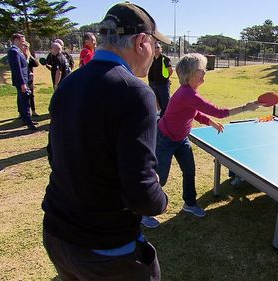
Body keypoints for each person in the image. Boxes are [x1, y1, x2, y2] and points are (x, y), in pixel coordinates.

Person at [42, 2, 171, 280]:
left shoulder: (69, 83)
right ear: (141, 42)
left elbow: (54, 155)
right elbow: (141, 193)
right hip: (106, 249)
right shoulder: (135, 92)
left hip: (57, 234)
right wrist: (161, 200)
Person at [141, 53, 262, 228]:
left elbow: (195, 112)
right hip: (165, 138)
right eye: (201, 70)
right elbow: (219, 111)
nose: (204, 72)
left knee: (189, 171)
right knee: (161, 177)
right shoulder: (187, 94)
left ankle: (189, 204)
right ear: (190, 73)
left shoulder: (190, 94)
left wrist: (209, 122)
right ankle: (145, 213)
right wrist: (246, 107)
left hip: (181, 139)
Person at [7, 33, 37, 130]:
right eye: (22, 40)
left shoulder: (19, 51)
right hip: (22, 81)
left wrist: (29, 73)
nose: (24, 43)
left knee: (23, 100)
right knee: (25, 102)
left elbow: (25, 66)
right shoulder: (13, 52)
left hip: (26, 79)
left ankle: (26, 119)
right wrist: (22, 83)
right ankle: (29, 123)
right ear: (16, 40)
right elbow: (17, 69)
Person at [148, 42, 173, 117]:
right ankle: (160, 115)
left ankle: (167, 116)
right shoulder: (151, 58)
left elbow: (170, 70)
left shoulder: (164, 58)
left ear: (161, 49)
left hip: (163, 84)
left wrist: (166, 78)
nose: (156, 49)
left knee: (165, 102)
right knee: (156, 101)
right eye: (154, 47)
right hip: (153, 83)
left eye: (158, 47)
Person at [22, 41, 40, 117]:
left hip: (30, 79)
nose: (26, 48)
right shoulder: (19, 56)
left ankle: (33, 111)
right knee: (22, 96)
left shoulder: (29, 57)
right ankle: (22, 113)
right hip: (22, 79)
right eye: (24, 46)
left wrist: (30, 56)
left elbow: (36, 64)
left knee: (31, 95)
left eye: (27, 47)